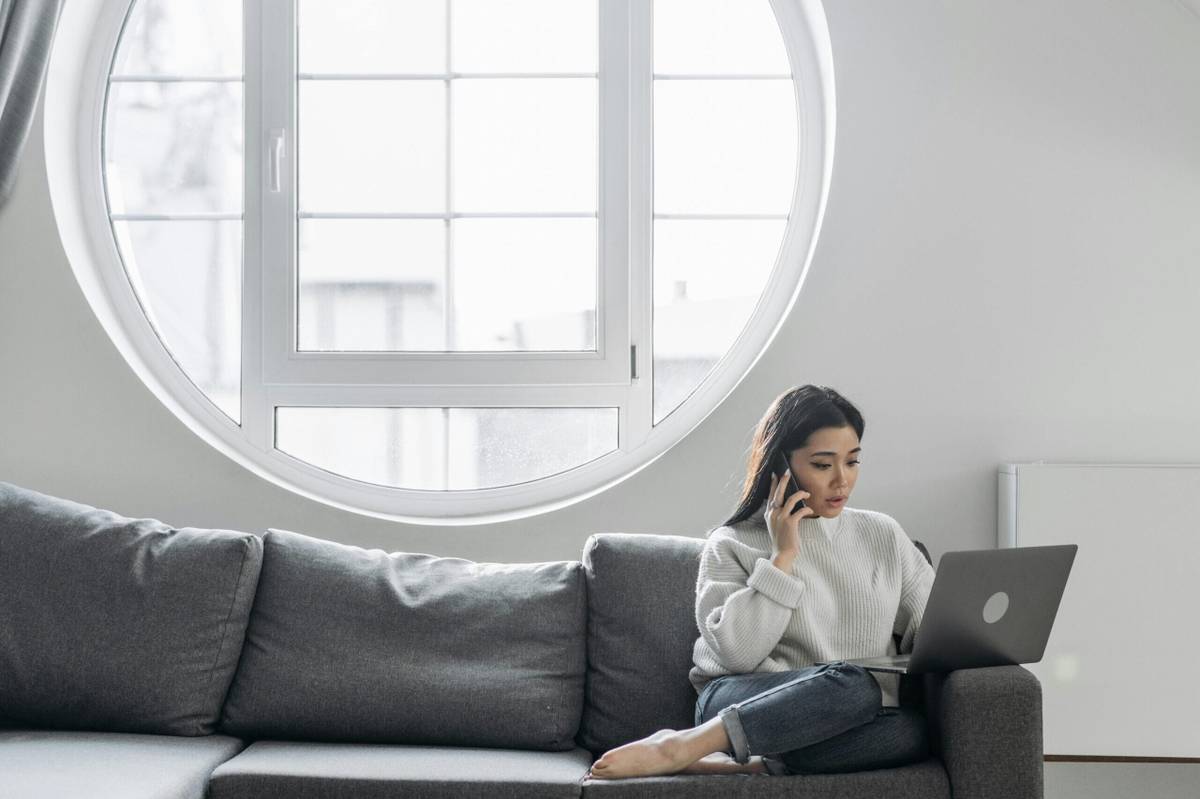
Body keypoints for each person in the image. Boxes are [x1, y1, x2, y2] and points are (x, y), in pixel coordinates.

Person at [587, 385, 935, 779]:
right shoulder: (731, 543)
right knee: (856, 684)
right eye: (823, 465)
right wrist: (781, 557)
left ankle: (756, 762)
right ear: (780, 466)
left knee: (910, 732)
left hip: (835, 716)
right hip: (741, 697)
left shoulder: (883, 534)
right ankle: (685, 745)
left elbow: (934, 628)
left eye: (852, 462)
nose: (842, 481)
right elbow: (738, 655)